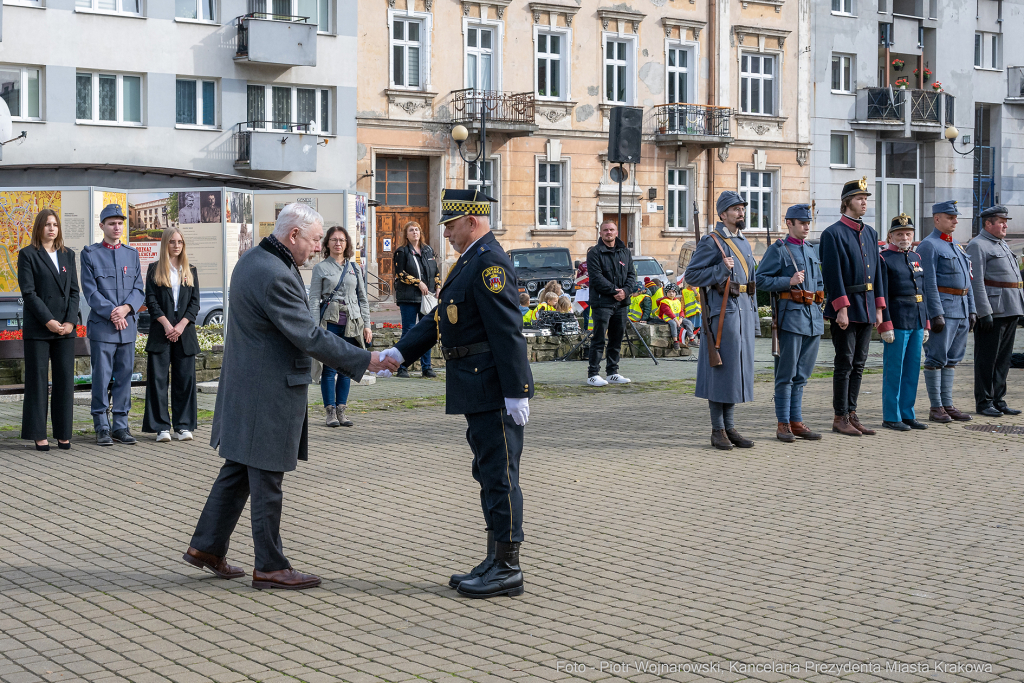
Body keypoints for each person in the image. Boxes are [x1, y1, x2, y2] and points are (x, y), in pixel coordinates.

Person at [182, 203, 398, 590]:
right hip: (268, 392)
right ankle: (270, 565)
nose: (318, 248)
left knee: (237, 472)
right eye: (316, 240)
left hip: (251, 387)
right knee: (267, 478)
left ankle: (206, 547)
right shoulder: (274, 274)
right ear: (294, 235)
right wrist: (367, 359)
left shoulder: (254, 259)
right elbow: (309, 336)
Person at [380, 189, 533, 599]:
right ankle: (493, 558)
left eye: (450, 224)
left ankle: (508, 567)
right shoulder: (469, 261)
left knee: (500, 477)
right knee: (487, 473)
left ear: (473, 220)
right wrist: (400, 351)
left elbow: (507, 331)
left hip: (493, 387)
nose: (445, 232)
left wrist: (518, 391)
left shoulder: (489, 263)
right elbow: (439, 318)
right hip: (474, 383)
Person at [684, 191, 758, 450]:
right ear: (723, 214)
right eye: (736, 209)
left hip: (744, 315)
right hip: (723, 315)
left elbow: (751, 284)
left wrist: (755, 319)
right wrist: (720, 269)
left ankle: (730, 426)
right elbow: (691, 276)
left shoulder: (744, 242)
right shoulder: (712, 242)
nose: (741, 213)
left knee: (736, 373)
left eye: (742, 208)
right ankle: (717, 430)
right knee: (720, 372)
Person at [820, 177, 886, 437]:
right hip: (847, 305)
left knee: (859, 362)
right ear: (847, 202)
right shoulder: (832, 233)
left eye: (866, 199)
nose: (864, 203)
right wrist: (841, 308)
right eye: (860, 198)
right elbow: (833, 275)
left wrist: (879, 307)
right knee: (844, 362)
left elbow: (878, 273)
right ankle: (840, 416)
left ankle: (852, 412)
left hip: (867, 305)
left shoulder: (870, 232)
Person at [755, 203, 824, 442]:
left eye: (808, 223)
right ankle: (783, 423)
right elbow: (760, 280)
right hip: (791, 318)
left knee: (802, 375)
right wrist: (788, 281)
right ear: (789, 223)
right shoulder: (780, 250)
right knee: (786, 374)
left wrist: (820, 303)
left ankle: (796, 421)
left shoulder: (811, 249)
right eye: (802, 223)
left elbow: (820, 282)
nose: (806, 227)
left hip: (813, 319)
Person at [80, 204, 145, 446]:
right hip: (103, 328)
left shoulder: (132, 254)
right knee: (101, 377)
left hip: (126, 328)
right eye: (111, 223)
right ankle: (101, 425)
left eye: (120, 223)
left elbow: (139, 289)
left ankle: (120, 425)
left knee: (124, 377)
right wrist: (113, 313)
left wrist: (127, 309)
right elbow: (91, 291)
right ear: (102, 226)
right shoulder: (90, 254)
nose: (116, 227)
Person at [18, 209, 80, 452]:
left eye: (55, 224)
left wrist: (70, 323)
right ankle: (38, 434)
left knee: (65, 381)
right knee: (38, 382)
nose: (51, 228)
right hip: (39, 328)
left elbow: (74, 291)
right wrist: (49, 321)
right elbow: (29, 293)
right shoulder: (28, 255)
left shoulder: (68, 255)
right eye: (47, 225)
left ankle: (63, 433)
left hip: (65, 329)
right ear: (39, 228)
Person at [916, 200, 976, 423]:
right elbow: (928, 282)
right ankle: (936, 407)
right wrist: (935, 313)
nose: (955, 221)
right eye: (951, 217)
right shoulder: (929, 245)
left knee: (952, 359)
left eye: (955, 217)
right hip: (944, 308)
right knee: (936, 358)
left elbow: (967, 281)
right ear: (937, 219)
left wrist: (972, 309)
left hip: (960, 308)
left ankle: (947, 403)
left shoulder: (957, 245)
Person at [308, 225, 373, 428]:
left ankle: (342, 411)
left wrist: (367, 325)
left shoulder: (355, 268)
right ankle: (330, 413)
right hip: (331, 324)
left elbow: (362, 298)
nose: (338, 243)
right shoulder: (321, 268)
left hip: (353, 324)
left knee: (347, 369)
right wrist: (314, 327)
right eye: (334, 240)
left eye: (342, 240)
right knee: (329, 369)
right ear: (327, 243)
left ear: (347, 244)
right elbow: (313, 300)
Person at [142, 228, 200, 443]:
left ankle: (183, 426)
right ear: (165, 244)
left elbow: (195, 302)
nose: (177, 246)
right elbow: (151, 300)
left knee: (184, 380)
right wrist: (167, 325)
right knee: (158, 380)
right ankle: (161, 427)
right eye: (172, 242)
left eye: (180, 242)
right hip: (161, 331)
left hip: (184, 333)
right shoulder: (154, 269)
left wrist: (182, 325)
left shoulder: (190, 269)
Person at [967, 205, 1024, 417]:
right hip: (993, 309)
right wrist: (984, 311)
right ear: (988, 223)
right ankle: (984, 402)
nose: (1005, 225)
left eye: (1005, 221)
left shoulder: (1001, 244)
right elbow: (976, 282)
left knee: (1003, 359)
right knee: (987, 359)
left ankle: (998, 399)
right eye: (1001, 221)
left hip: (1010, 307)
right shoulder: (978, 245)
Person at [877, 215, 930, 431]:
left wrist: (925, 322)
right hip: (896, 321)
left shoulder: (916, 256)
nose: (904, 237)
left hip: (916, 319)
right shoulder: (884, 259)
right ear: (890, 235)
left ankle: (907, 414)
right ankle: (891, 416)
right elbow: (882, 294)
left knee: (911, 371)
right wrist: (884, 324)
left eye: (908, 233)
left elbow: (922, 292)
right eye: (899, 233)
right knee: (894, 371)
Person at [585, 220, 635, 387]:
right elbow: (596, 278)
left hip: (621, 304)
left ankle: (612, 372)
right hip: (602, 303)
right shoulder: (594, 253)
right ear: (600, 233)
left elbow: (631, 275)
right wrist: (616, 291)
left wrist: (625, 292)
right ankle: (593, 374)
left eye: (612, 229)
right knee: (599, 339)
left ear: (616, 232)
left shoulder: (625, 252)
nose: (609, 232)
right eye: (605, 230)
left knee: (616, 339)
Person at [393, 221, 440, 378]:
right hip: (409, 297)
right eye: (411, 230)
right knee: (408, 331)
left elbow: (436, 271)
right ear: (406, 234)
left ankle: (426, 367)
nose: (415, 233)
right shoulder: (402, 252)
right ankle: (402, 366)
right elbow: (401, 273)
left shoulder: (428, 251)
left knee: (426, 332)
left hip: (427, 297)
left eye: (417, 230)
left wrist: (438, 286)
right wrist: (418, 282)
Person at [653, 284, 686, 350]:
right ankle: (675, 341)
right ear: (666, 293)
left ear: (675, 293)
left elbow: (681, 311)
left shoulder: (677, 301)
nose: (671, 293)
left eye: (673, 292)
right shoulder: (664, 301)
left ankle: (691, 338)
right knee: (673, 324)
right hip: (668, 318)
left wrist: (681, 318)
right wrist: (676, 321)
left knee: (688, 322)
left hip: (677, 318)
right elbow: (668, 312)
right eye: (669, 292)